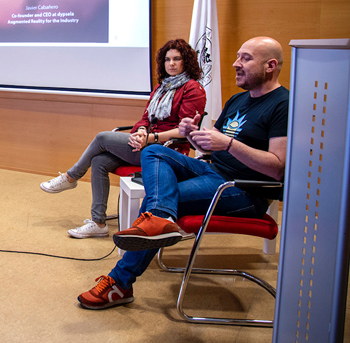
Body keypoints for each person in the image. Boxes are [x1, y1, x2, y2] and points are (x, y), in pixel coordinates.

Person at [78, 36, 288, 310]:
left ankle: (120, 282)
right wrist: (192, 135)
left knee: (156, 204)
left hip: (244, 189)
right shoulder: (238, 100)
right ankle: (159, 220)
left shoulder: (283, 104)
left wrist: (228, 144)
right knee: (154, 151)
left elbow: (278, 168)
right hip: (213, 170)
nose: (236, 63)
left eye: (246, 58)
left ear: (270, 66)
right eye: (238, 56)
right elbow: (210, 147)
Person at [41, 39, 206, 238]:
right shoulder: (161, 88)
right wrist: (141, 132)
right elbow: (146, 118)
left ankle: (71, 177)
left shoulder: (193, 89)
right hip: (147, 142)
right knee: (99, 161)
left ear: (186, 61)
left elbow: (184, 131)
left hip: (167, 151)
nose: (171, 63)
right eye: (167, 59)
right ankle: (98, 223)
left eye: (176, 59)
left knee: (102, 138)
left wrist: (150, 138)